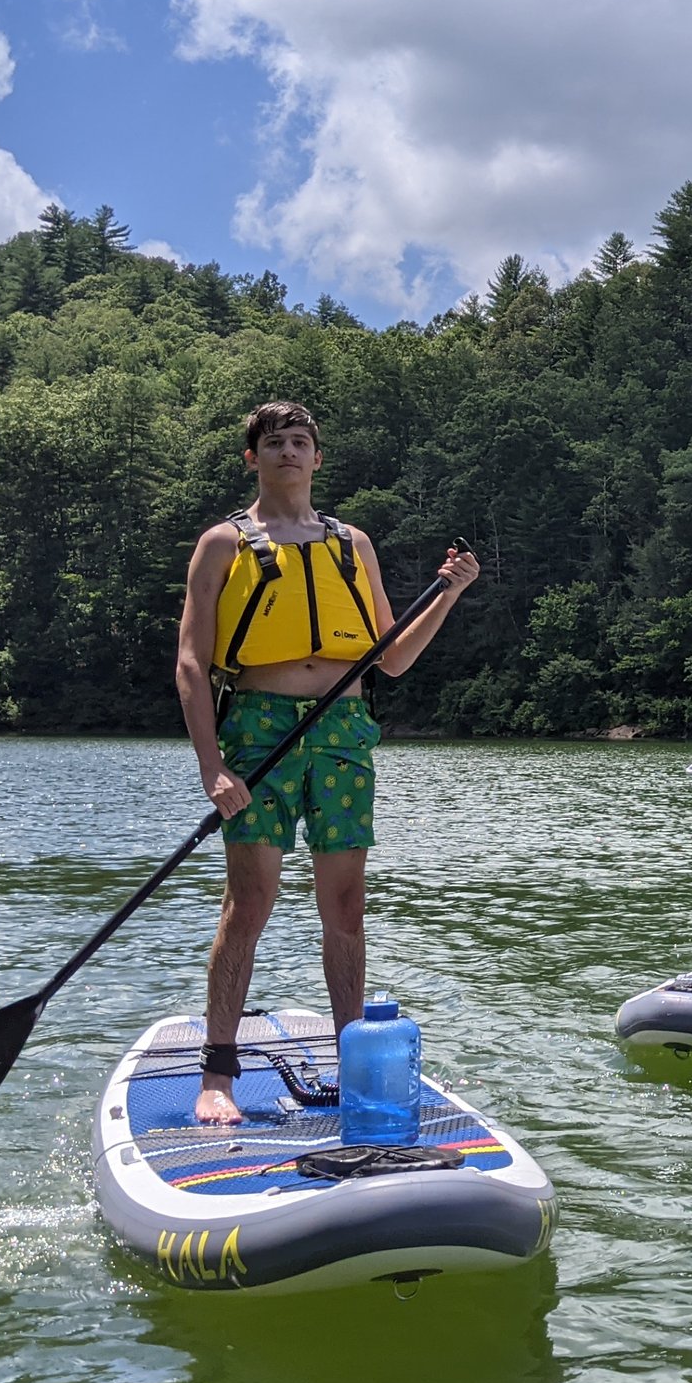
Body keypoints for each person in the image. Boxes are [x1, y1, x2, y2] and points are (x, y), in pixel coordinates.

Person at [175, 400, 480, 1125]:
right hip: (258, 727)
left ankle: (354, 1061)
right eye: (274, 442)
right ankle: (218, 1075)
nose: (289, 451)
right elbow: (191, 664)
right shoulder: (223, 543)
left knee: (345, 907)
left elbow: (394, 656)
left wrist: (451, 593)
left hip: (343, 728)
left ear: (318, 459)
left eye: (301, 441)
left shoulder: (353, 544)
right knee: (249, 903)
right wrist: (212, 766)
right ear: (253, 458)